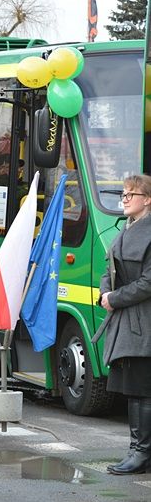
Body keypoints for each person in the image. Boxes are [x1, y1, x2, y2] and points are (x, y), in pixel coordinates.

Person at [100, 174, 151, 475]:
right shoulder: (126, 230)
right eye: (124, 193)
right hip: (128, 319)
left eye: (132, 193)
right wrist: (106, 293)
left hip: (143, 322)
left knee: (142, 389)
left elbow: (149, 282)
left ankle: (141, 453)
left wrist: (115, 298)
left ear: (148, 199)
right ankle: (138, 451)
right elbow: (110, 268)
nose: (125, 198)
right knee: (135, 389)